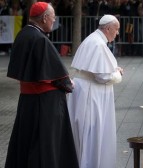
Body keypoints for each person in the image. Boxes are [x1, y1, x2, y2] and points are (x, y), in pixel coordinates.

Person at [5, 2, 79, 168]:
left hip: (27, 102)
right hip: (46, 104)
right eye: (53, 17)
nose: (54, 20)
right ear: (44, 18)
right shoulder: (40, 39)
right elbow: (58, 76)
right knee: (45, 146)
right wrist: (69, 84)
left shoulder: (23, 34)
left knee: (26, 142)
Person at [67, 15, 123, 168]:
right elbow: (102, 76)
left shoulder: (93, 39)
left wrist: (112, 70)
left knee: (86, 134)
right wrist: (118, 74)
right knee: (91, 135)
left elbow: (98, 68)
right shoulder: (98, 44)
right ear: (108, 28)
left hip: (85, 90)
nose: (117, 33)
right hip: (91, 94)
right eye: (116, 29)